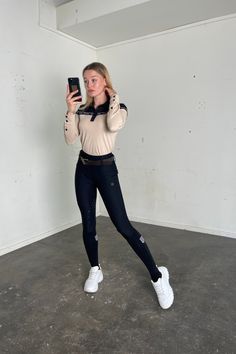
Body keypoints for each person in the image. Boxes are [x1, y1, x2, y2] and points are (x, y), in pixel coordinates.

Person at [64, 62, 174, 310]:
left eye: (94, 79)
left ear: (104, 80)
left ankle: (157, 276)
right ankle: (95, 269)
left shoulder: (119, 108)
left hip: (105, 169)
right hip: (83, 169)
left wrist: (114, 97)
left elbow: (114, 125)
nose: (89, 85)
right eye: (85, 80)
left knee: (122, 225)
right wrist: (70, 110)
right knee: (88, 223)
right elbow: (70, 138)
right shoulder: (81, 110)